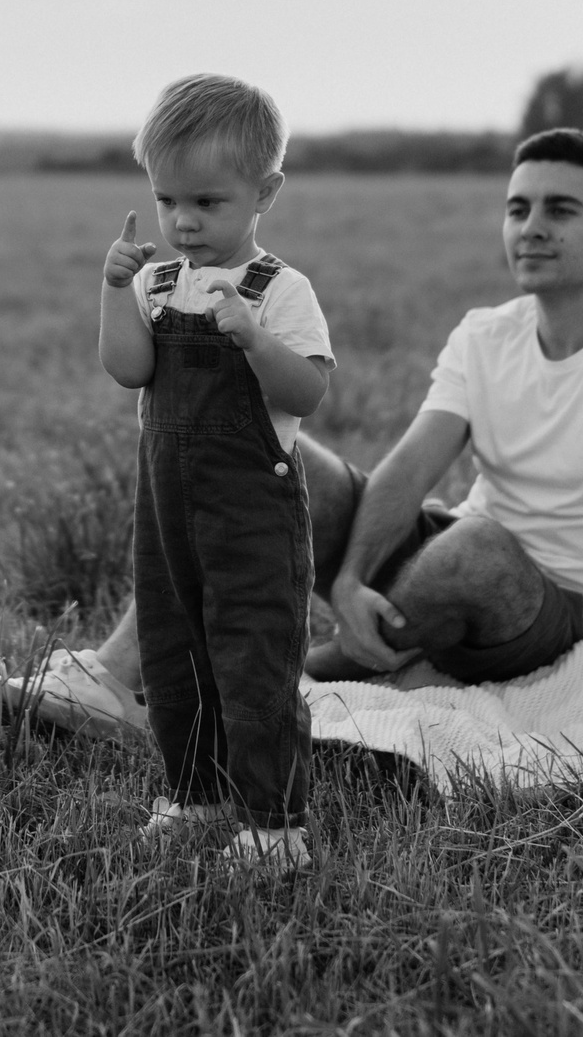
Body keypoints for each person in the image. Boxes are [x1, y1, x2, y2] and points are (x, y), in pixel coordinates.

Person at [0, 126, 583, 744]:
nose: (531, 228)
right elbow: (407, 468)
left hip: (555, 609)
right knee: (293, 463)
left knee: (477, 546)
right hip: (454, 545)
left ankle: (267, 682)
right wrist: (351, 578)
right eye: (518, 207)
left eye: (561, 210)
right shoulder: (485, 333)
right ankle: (117, 679)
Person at [104, 74, 334, 869]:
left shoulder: (279, 289)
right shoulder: (157, 283)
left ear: (266, 190)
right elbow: (129, 370)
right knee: (173, 652)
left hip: (251, 517)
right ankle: (194, 791)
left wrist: (250, 336)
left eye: (207, 202)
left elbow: (308, 390)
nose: (184, 222)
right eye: (168, 201)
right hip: (167, 513)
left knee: (252, 655)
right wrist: (112, 291)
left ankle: (275, 821)